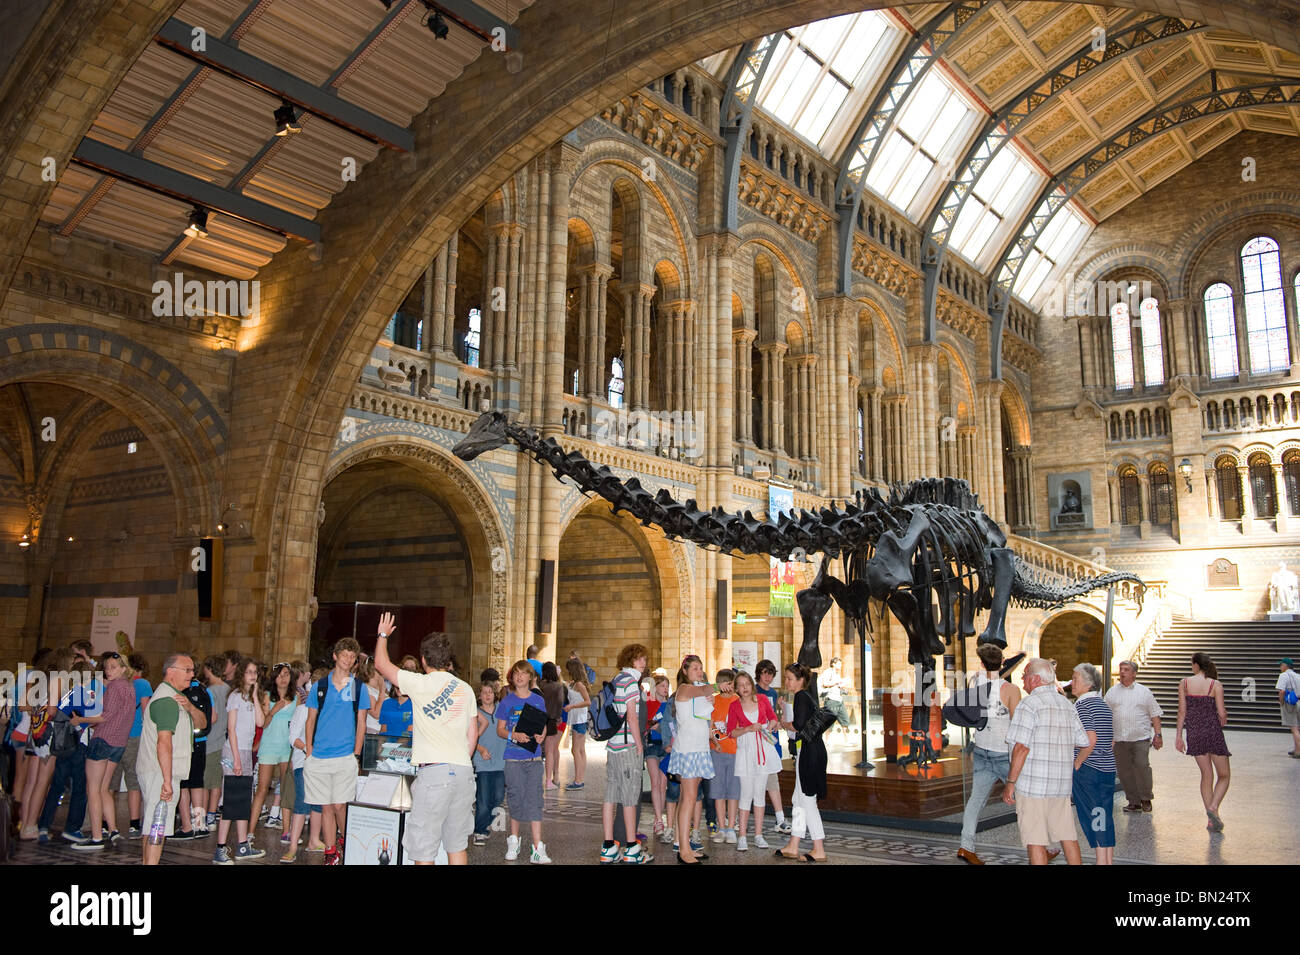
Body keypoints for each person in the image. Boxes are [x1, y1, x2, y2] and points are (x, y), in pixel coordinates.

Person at [374, 612, 478, 865]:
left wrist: (383, 634)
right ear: (448, 659)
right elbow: (472, 734)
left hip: (435, 773)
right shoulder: (465, 688)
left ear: (423, 659)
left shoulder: (420, 683)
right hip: (463, 771)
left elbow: (381, 664)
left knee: (423, 849)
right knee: (456, 846)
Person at [1001, 657, 1089, 865]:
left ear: (1036, 679)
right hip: (1060, 786)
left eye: (1025, 676)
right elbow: (1082, 740)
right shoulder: (1066, 704)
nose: (1022, 680)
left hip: (1033, 787)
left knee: (1035, 841)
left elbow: (1021, 748)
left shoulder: (1029, 705)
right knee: (1068, 835)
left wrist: (1010, 783)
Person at [304, 636, 369, 866]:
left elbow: (361, 722)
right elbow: (310, 719)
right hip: (320, 754)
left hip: (345, 754)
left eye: (352, 657)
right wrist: (309, 750)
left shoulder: (359, 688)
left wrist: (356, 753)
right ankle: (331, 850)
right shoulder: (320, 686)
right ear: (335, 656)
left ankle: (346, 840)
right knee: (326, 805)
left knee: (341, 804)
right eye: (344, 655)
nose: (348, 660)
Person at [957, 643, 1021, 865]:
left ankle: (966, 846)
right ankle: (1042, 844)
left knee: (975, 801)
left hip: (982, 749)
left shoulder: (975, 682)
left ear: (982, 663)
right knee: (1025, 800)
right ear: (1002, 662)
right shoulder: (1011, 690)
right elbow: (1017, 725)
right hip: (1004, 753)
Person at [138, 653, 205, 865]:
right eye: (187, 670)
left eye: (193, 670)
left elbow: (203, 723)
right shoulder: (166, 701)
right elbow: (164, 742)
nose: (192, 675)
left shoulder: (176, 698)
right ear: (170, 671)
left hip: (163, 772)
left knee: (152, 824)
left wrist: (190, 707)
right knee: (158, 825)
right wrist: (166, 781)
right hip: (160, 772)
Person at [70, 651, 135, 850]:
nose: (108, 671)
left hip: (103, 740)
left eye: (113, 667)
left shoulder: (115, 687)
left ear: (123, 668)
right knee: (105, 788)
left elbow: (105, 717)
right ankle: (113, 830)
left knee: (94, 789)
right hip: (119, 742)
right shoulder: (129, 687)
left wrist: (81, 720)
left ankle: (97, 836)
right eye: (106, 667)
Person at [36, 656, 98, 843]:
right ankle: (72, 828)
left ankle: (44, 825)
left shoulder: (68, 692)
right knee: (79, 788)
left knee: (56, 786)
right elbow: (87, 718)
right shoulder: (82, 693)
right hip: (76, 745)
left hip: (61, 744)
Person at [495, 660, 552, 863]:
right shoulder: (507, 702)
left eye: (523, 673)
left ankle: (538, 847)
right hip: (513, 758)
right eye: (516, 673)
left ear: (530, 677)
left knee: (536, 799)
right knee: (516, 798)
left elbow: (543, 725)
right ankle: (514, 840)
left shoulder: (538, 700)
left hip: (534, 757)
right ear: (512, 677)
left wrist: (542, 735)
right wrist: (514, 735)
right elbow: (500, 729)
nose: (519, 677)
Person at [601, 643, 650, 864]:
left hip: (612, 745)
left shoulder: (616, 679)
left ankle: (609, 846)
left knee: (611, 796)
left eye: (644, 660)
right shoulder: (631, 682)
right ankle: (632, 848)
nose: (643, 663)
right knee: (630, 798)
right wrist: (639, 745)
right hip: (628, 746)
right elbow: (632, 716)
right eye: (639, 659)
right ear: (630, 660)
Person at [213, 657, 267, 863]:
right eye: (249, 672)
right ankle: (220, 848)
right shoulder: (235, 696)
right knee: (231, 800)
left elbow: (261, 722)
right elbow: (231, 729)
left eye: (255, 672)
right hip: (234, 752)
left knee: (244, 800)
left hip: (246, 753)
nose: (252, 676)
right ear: (242, 674)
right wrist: (236, 759)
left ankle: (243, 845)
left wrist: (255, 696)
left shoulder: (251, 697)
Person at [776, 663, 827, 863]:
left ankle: (818, 847)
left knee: (807, 800)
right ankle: (794, 844)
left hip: (809, 753)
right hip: (809, 751)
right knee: (798, 799)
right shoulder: (806, 697)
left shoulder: (800, 696)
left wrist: (784, 723)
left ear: (800, 680)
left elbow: (798, 726)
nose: (787, 682)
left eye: (790, 678)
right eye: (786, 678)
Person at [1175, 652, 1230, 832]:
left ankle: (1211, 819)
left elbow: (1181, 712)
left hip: (1195, 733)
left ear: (1196, 665)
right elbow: (1221, 714)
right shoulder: (1215, 684)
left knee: (1206, 775)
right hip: (1212, 732)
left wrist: (1178, 737)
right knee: (1224, 775)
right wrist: (1223, 717)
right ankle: (1213, 808)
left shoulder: (1184, 683)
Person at [727, 670, 779, 851]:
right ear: (737, 689)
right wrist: (748, 729)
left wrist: (769, 727)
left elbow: (773, 718)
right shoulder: (734, 706)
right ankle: (742, 835)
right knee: (746, 794)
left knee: (759, 794)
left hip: (763, 749)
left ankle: (758, 834)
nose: (745, 688)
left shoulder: (763, 700)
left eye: (747, 684)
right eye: (740, 686)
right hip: (746, 750)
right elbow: (730, 732)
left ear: (751, 684)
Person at [669, 654, 713, 864]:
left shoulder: (697, 691)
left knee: (687, 797)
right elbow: (706, 689)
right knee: (689, 797)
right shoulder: (686, 689)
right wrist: (718, 686)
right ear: (685, 671)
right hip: (688, 750)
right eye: (694, 668)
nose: (699, 671)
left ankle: (681, 841)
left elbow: (704, 718)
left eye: (700, 667)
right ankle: (684, 849)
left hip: (699, 747)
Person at [1070, 663, 1115, 865]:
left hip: (1089, 770)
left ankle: (1100, 861)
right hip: (1107, 768)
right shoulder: (1103, 704)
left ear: (1087, 684)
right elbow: (1111, 740)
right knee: (1104, 815)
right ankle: (1106, 861)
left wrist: (1077, 763)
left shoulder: (1082, 705)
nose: (1072, 683)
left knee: (1092, 816)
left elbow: (1090, 739)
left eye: (1075, 679)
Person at [1104, 659, 1163, 812]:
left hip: (1140, 738)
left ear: (1134, 674)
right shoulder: (1112, 692)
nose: (1122, 672)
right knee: (1124, 771)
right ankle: (1133, 801)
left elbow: (1155, 714)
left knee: (1142, 766)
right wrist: (1107, 737)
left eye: (1126, 670)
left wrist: (1158, 735)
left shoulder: (1144, 692)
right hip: (1119, 739)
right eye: (1121, 669)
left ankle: (1146, 798)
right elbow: (1106, 714)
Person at [250, 662, 296, 832]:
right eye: (280, 675)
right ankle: (250, 831)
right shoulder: (267, 696)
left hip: (287, 747)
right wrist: (273, 710)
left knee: (285, 789)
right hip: (269, 746)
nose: (283, 678)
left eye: (286, 674)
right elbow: (263, 724)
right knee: (262, 788)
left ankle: (286, 831)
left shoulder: (296, 697)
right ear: (274, 678)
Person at [110, 654, 153, 837]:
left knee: (110, 781)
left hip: (113, 735)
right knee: (133, 781)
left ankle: (107, 824)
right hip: (134, 736)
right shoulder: (142, 684)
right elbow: (146, 713)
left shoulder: (113, 684)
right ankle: (134, 823)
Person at [175, 669, 213, 839]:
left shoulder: (180, 691)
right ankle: (200, 824)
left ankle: (186, 826)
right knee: (197, 783)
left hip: (184, 742)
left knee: (183, 784)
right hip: (201, 741)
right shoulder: (204, 690)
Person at [754, 660, 789, 834]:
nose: (768, 677)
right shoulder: (753, 691)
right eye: (765, 673)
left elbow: (773, 714)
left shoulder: (774, 693)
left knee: (772, 779)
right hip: (755, 741)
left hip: (770, 740)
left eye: (771, 674)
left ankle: (780, 818)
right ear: (759, 673)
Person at [471, 681, 506, 846]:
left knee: (498, 797)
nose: (487, 695)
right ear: (479, 695)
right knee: (483, 798)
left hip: (500, 762)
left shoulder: (502, 710)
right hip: (482, 762)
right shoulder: (475, 714)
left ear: (495, 694)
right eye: (484, 692)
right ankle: (480, 830)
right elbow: (469, 738)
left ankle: (485, 822)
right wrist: (480, 748)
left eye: (490, 692)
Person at [708, 669, 740, 844]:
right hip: (717, 751)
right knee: (718, 791)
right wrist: (715, 741)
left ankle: (731, 827)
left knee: (733, 791)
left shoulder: (737, 701)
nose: (731, 687)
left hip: (735, 752)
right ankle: (721, 827)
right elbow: (711, 724)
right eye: (729, 683)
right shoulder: (714, 701)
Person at [200, 656, 230, 829]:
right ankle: (212, 813)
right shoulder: (228, 689)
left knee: (205, 782)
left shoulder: (210, 691)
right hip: (222, 740)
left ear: (209, 669)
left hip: (210, 740)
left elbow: (213, 716)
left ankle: (203, 816)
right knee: (216, 781)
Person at [644, 673, 670, 836]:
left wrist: (660, 727)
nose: (665, 689)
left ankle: (660, 817)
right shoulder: (649, 703)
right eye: (662, 686)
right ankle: (658, 818)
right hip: (652, 745)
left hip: (666, 746)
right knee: (655, 782)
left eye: (667, 686)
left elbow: (672, 726)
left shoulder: (670, 705)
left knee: (662, 784)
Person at [562, 658, 590, 790]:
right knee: (580, 750)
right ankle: (581, 778)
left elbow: (587, 701)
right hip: (576, 718)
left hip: (580, 719)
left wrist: (572, 706)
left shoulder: (579, 685)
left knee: (576, 750)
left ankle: (578, 780)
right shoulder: (574, 683)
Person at [539, 661, 565, 790]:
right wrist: (558, 715)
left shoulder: (540, 685)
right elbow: (560, 701)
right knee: (549, 751)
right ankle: (548, 781)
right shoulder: (558, 686)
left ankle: (535, 778)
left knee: (536, 749)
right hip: (551, 720)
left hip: (539, 719)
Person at [818, 656, 852, 740]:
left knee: (845, 720)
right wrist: (837, 682)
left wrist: (843, 685)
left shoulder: (837, 674)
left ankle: (847, 740)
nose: (840, 665)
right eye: (839, 664)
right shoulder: (828, 672)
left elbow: (837, 686)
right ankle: (827, 741)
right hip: (831, 700)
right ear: (833, 664)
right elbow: (825, 683)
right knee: (829, 722)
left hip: (839, 700)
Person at [378, 666, 415, 737]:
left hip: (407, 746)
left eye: (402, 683)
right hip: (387, 746)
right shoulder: (387, 703)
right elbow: (383, 731)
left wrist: (397, 747)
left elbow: (409, 733)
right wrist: (381, 747)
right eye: (397, 682)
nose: (398, 686)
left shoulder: (415, 705)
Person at [1277, 658, 1300, 757]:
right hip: (1298, 701)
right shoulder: (1298, 676)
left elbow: (1281, 691)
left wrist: (1281, 702)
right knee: (1297, 727)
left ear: (1286, 666)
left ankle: (1298, 751)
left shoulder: (1284, 675)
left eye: (1281, 665)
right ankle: (1296, 748)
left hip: (1289, 703)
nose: (1280, 667)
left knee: (1294, 728)